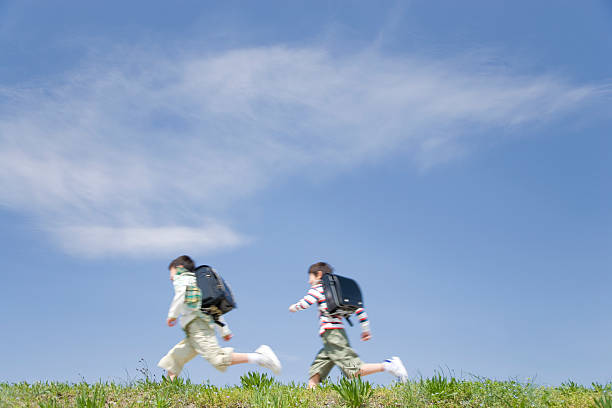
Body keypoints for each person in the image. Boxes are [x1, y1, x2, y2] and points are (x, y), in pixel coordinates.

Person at [158, 255, 281, 380]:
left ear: (179, 268)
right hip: (195, 329)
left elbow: (180, 294)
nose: (170, 277)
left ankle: (261, 357)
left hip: (198, 327)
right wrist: (224, 330)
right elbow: (212, 309)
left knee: (218, 359)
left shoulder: (183, 278)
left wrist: (172, 315)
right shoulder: (196, 283)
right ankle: (167, 390)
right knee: (174, 359)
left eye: (171, 272)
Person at [289, 261, 408, 388]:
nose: (309, 281)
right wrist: (365, 328)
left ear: (318, 274)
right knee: (316, 372)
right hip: (334, 335)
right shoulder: (336, 290)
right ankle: (309, 398)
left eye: (310, 278)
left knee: (353, 369)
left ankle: (389, 365)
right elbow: (359, 309)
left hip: (332, 334)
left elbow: (306, 302)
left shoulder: (318, 288)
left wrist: (294, 307)